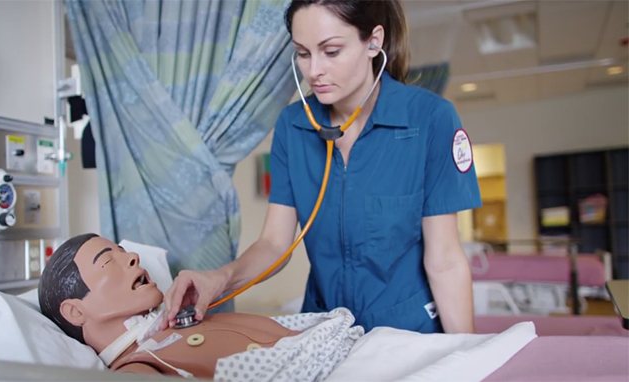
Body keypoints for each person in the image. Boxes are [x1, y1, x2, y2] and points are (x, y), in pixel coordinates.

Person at [162, 0, 481, 335]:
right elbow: (274, 244)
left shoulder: (430, 120)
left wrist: (468, 354)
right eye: (303, 53)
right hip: (323, 331)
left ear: (373, 42)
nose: (314, 70)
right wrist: (219, 279)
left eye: (331, 51)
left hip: (406, 334)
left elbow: (444, 259)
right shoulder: (293, 126)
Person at [37, 233, 303, 378]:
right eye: (108, 262)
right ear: (75, 311)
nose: (132, 256)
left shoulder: (167, 331)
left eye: (123, 251)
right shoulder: (137, 366)